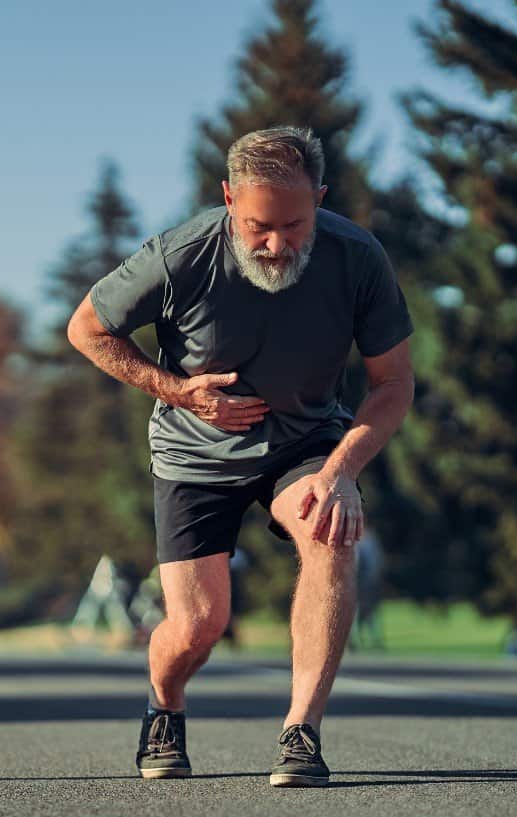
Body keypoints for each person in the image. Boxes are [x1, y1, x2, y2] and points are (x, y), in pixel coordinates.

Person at [66, 126, 414, 788]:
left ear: (320, 196)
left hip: (305, 438)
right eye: (259, 226)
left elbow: (393, 384)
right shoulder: (179, 256)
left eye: (295, 223)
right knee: (199, 624)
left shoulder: (357, 257)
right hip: (193, 451)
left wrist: (341, 471)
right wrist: (174, 390)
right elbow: (87, 327)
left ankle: (301, 731)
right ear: (228, 199)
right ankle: (164, 704)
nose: (278, 244)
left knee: (330, 529)